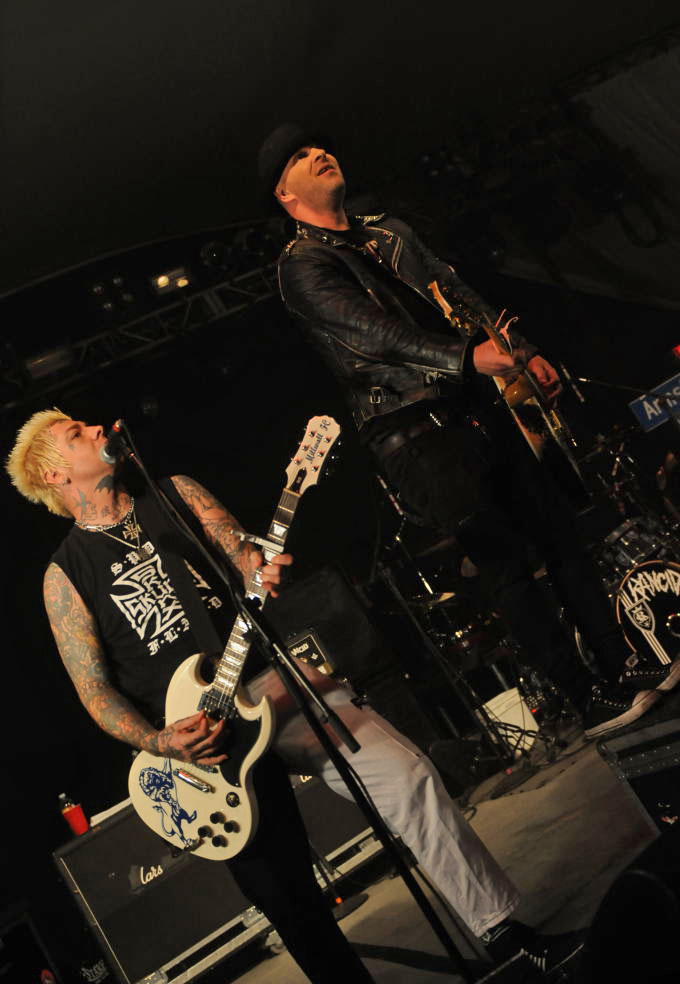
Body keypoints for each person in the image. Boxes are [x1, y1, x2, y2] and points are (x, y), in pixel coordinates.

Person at [7, 409, 584, 980]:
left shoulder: (174, 493)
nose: (96, 428)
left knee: (406, 777)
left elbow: (239, 550)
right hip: (201, 744)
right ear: (55, 474)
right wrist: (160, 741)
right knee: (287, 896)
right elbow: (93, 689)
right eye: (75, 434)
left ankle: (504, 933)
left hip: (266, 677)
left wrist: (256, 567)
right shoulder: (65, 576)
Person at [258, 121, 677, 740]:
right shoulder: (302, 266)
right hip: (412, 428)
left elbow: (457, 290)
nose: (321, 152)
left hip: (475, 401)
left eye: (319, 145)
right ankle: (584, 698)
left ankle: (620, 667)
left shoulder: (388, 231)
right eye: (300, 155)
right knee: (506, 565)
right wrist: (463, 357)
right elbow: (374, 335)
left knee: (560, 534)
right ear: (284, 194)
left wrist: (520, 349)